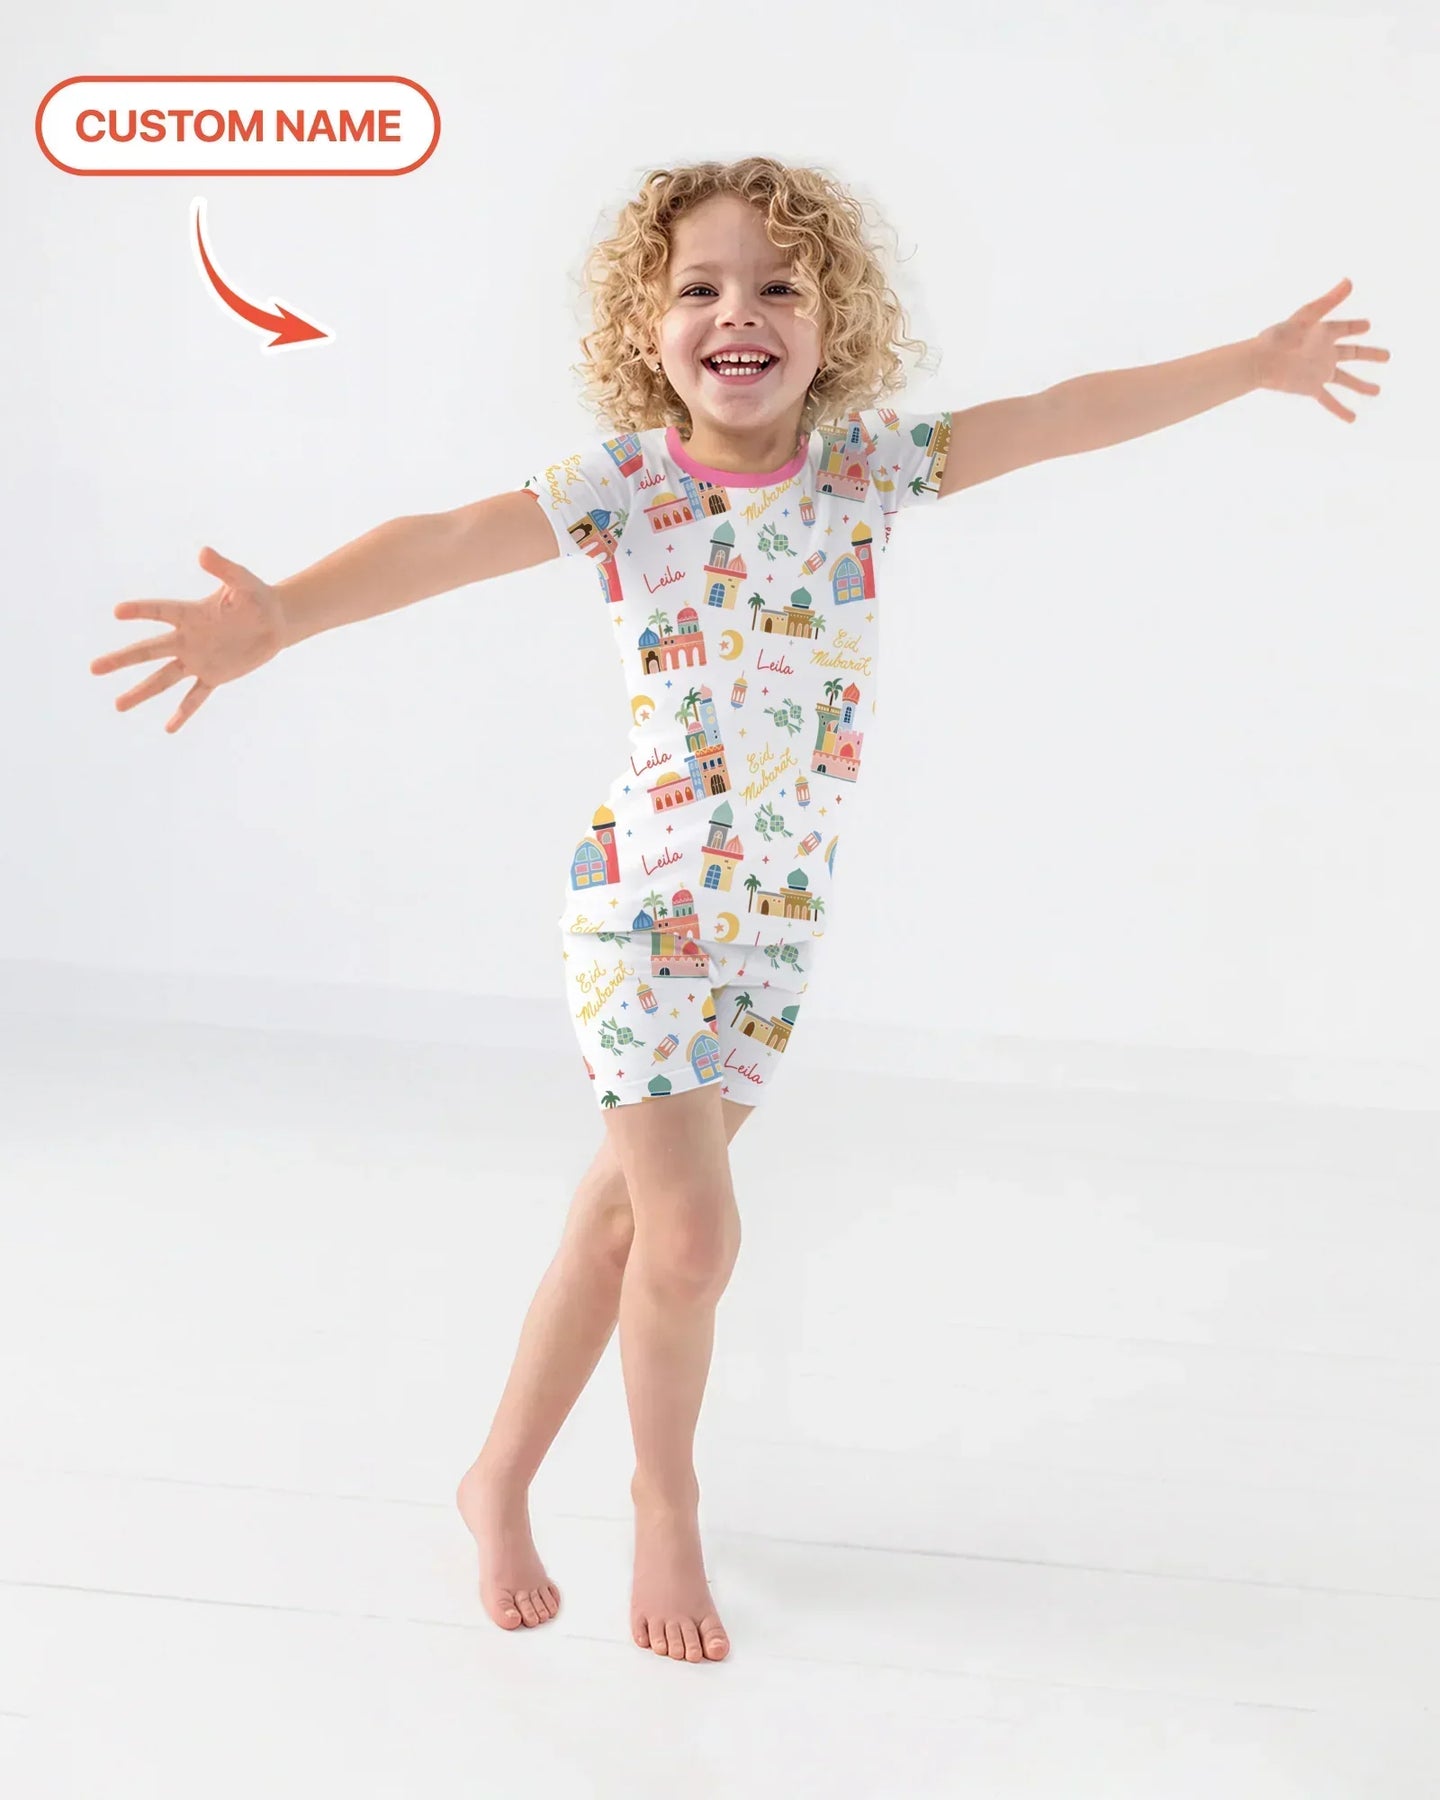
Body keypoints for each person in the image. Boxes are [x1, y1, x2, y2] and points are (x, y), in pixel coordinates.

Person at [89, 153, 1386, 1665]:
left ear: (836, 322)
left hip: (775, 931)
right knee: (693, 1239)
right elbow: (445, 541)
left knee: (626, 1223)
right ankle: (666, 1499)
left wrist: (1255, 361)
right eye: (699, 288)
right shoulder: (625, 489)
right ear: (648, 329)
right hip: (641, 914)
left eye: (779, 285)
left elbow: (1062, 415)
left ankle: (494, 1477)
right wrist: (285, 615)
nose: (739, 312)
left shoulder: (865, 472)